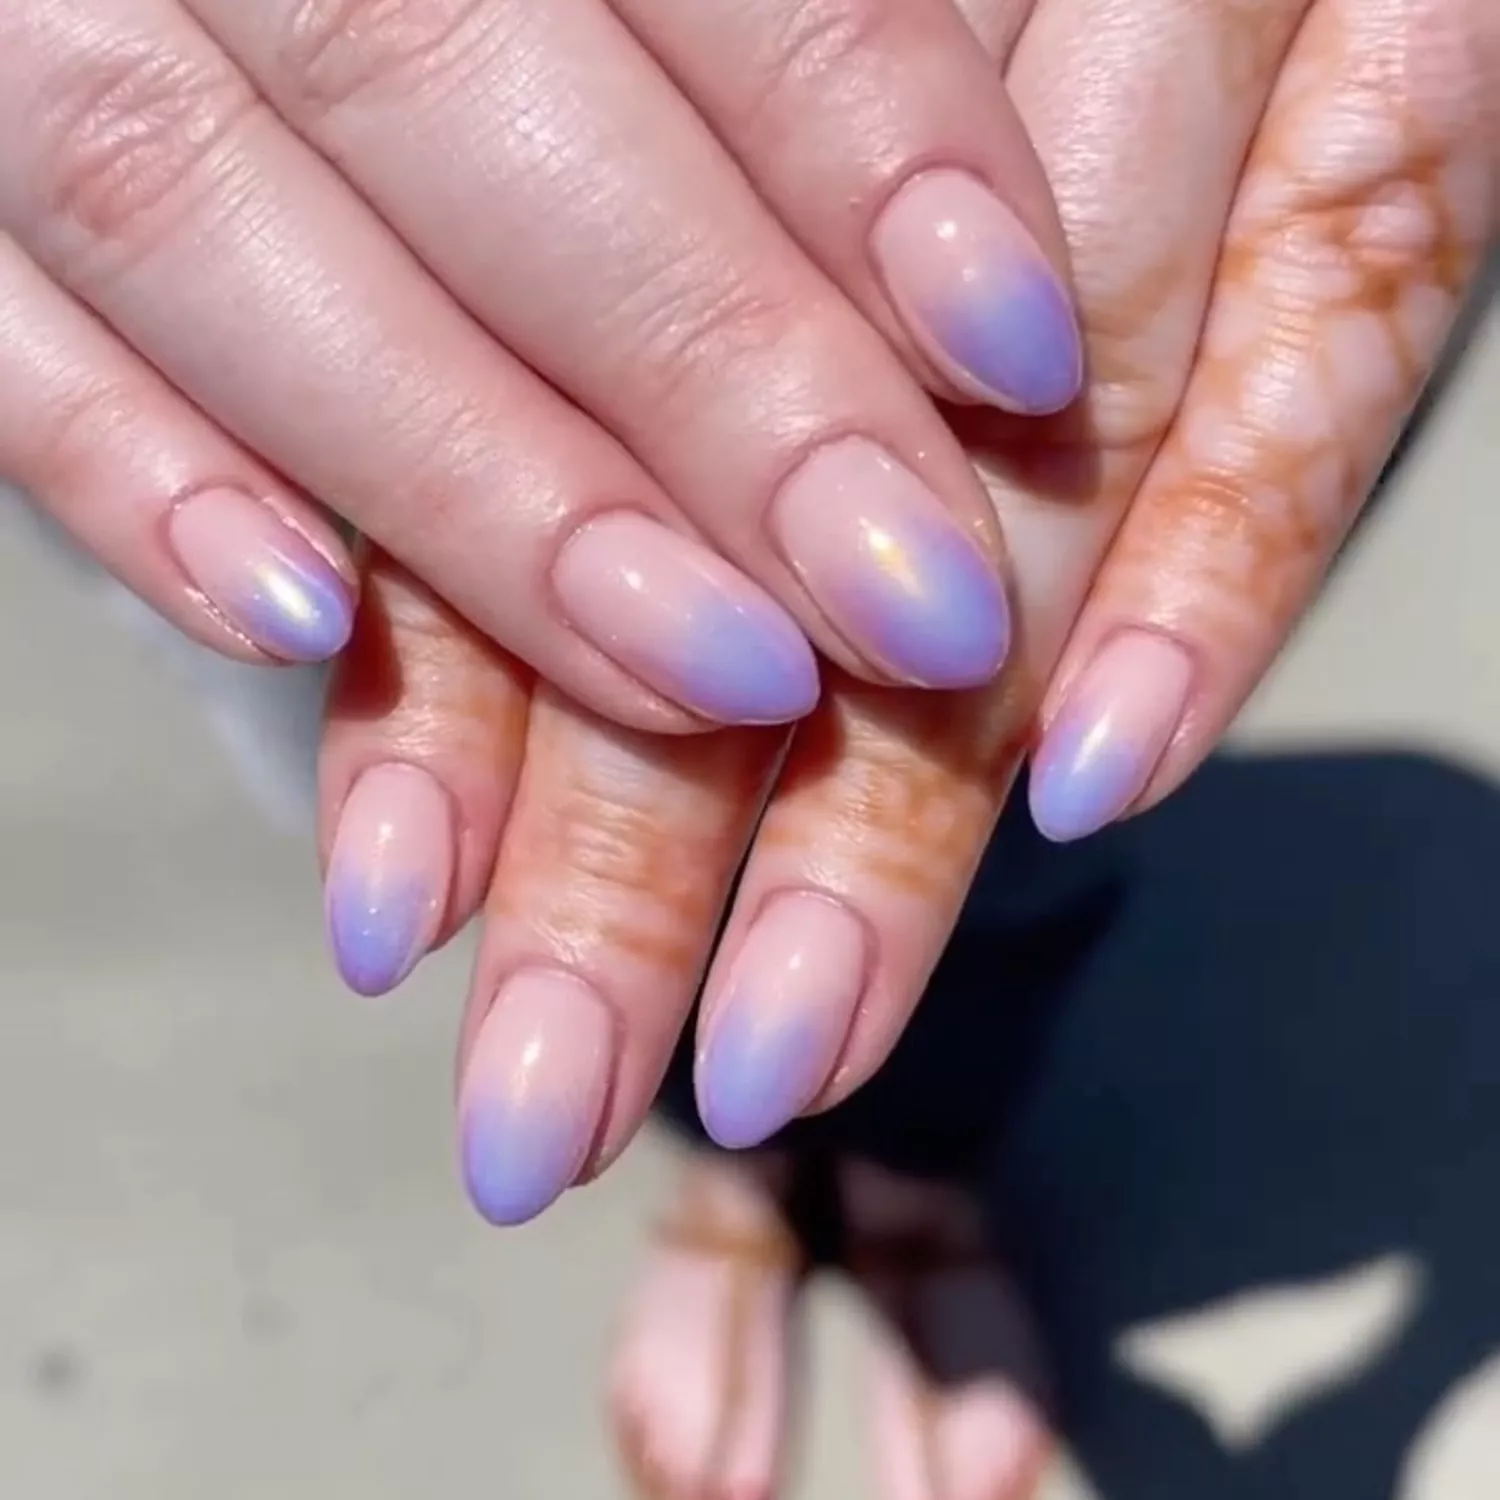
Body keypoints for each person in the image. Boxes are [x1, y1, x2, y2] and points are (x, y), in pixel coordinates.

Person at [8, 0, 1496, 1496]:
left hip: (1183, 102)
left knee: (1014, 765)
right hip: (176, 202)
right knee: (485, 821)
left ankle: (912, 1171)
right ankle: (747, 1168)